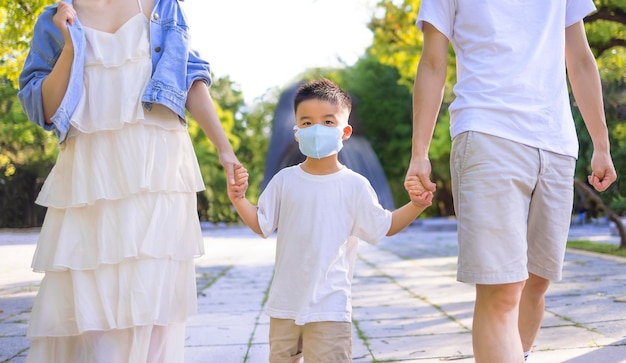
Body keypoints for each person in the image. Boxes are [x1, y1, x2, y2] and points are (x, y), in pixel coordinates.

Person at [17, 0, 239, 361]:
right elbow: (42, 106)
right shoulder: (54, 18)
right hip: (89, 174)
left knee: (151, 306)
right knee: (89, 305)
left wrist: (224, 150)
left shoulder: (163, 6)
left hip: (158, 170)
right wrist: (71, 44)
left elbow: (189, 76)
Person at [406, 1, 617, 362]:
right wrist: (419, 152)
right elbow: (432, 62)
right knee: (502, 289)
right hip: (488, 131)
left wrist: (601, 144)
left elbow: (580, 59)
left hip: (555, 142)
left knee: (536, 282)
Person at [226, 78, 433, 362]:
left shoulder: (354, 185)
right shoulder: (284, 180)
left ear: (345, 131)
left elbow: (385, 226)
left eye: (327, 122)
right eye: (307, 123)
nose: (316, 130)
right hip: (285, 306)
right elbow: (262, 224)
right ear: (296, 131)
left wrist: (416, 205)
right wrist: (239, 200)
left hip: (330, 307)